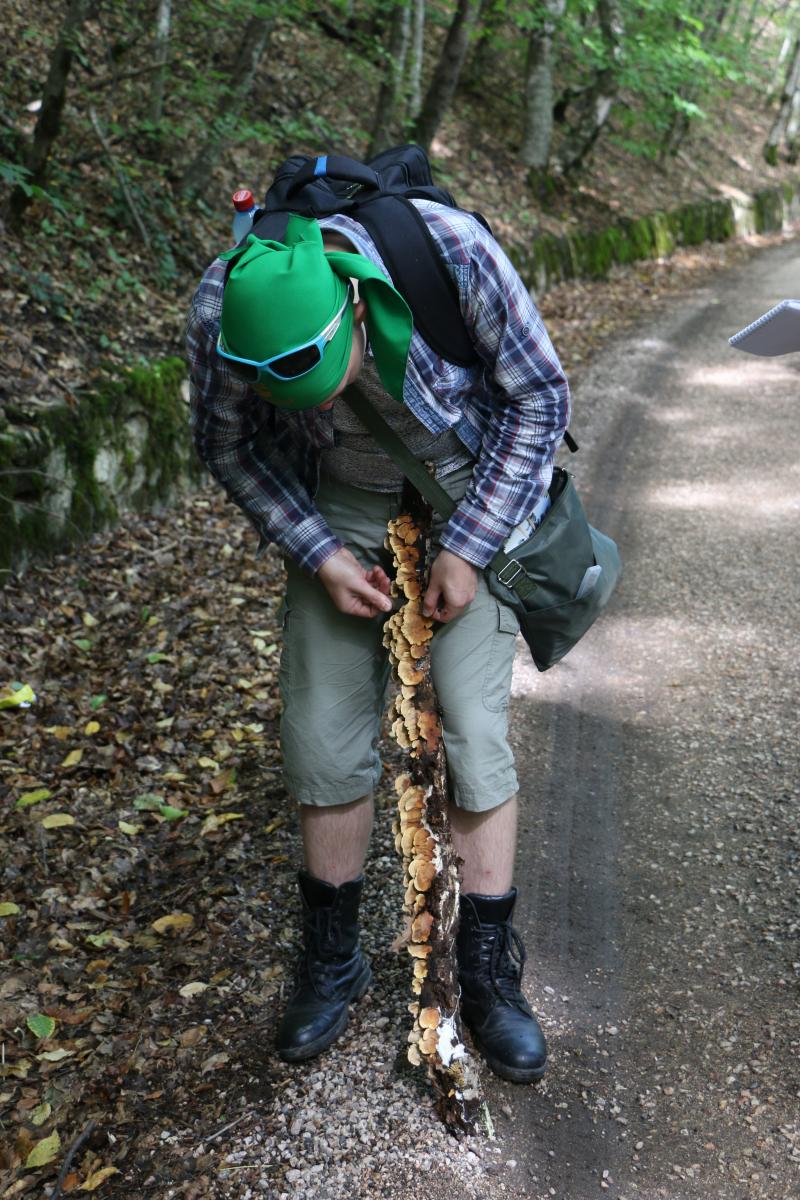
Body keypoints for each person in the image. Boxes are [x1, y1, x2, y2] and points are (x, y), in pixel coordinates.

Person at [185, 199, 571, 1084]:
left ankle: (486, 976)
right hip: (333, 504)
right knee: (320, 733)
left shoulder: (454, 253)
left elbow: (541, 396)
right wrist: (318, 554)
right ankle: (332, 958)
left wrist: (469, 547)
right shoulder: (221, 306)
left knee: (472, 731)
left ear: (356, 312)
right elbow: (229, 445)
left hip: (466, 485)